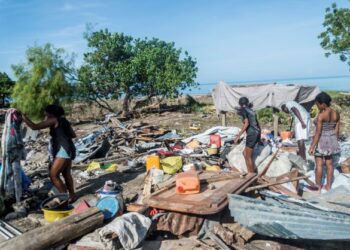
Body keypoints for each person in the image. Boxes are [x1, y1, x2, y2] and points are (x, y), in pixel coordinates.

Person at [22, 105, 77, 202]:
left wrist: (23, 117)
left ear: (51, 113)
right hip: (69, 148)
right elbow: (73, 135)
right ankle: (72, 196)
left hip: (63, 149)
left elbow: (34, 127)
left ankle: (65, 198)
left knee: (53, 175)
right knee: (66, 174)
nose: (44, 114)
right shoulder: (63, 120)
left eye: (45, 112)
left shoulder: (53, 119)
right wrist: (61, 133)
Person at [308, 92, 340, 192]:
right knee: (329, 164)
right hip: (332, 139)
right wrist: (333, 141)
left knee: (319, 164)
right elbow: (337, 131)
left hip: (321, 141)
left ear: (322, 103)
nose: (317, 106)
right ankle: (328, 186)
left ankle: (318, 187)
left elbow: (318, 133)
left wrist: (312, 146)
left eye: (317, 104)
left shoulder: (321, 116)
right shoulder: (336, 113)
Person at [234, 97, 261, 173]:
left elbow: (246, 123)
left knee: (247, 156)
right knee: (244, 153)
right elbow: (258, 125)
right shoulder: (252, 111)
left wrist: (238, 136)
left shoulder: (243, 110)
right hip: (256, 133)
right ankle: (250, 172)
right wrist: (259, 138)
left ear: (240, 104)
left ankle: (252, 176)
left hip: (252, 134)